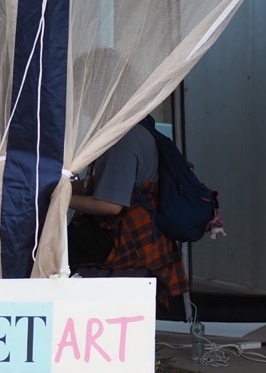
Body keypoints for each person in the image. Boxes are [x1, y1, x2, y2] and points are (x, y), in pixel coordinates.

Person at [66, 121, 188, 310]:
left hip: (130, 235)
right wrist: (65, 188)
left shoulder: (123, 141)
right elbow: (110, 180)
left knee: (56, 246)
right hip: (144, 232)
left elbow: (111, 206)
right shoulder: (138, 131)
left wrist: (62, 199)